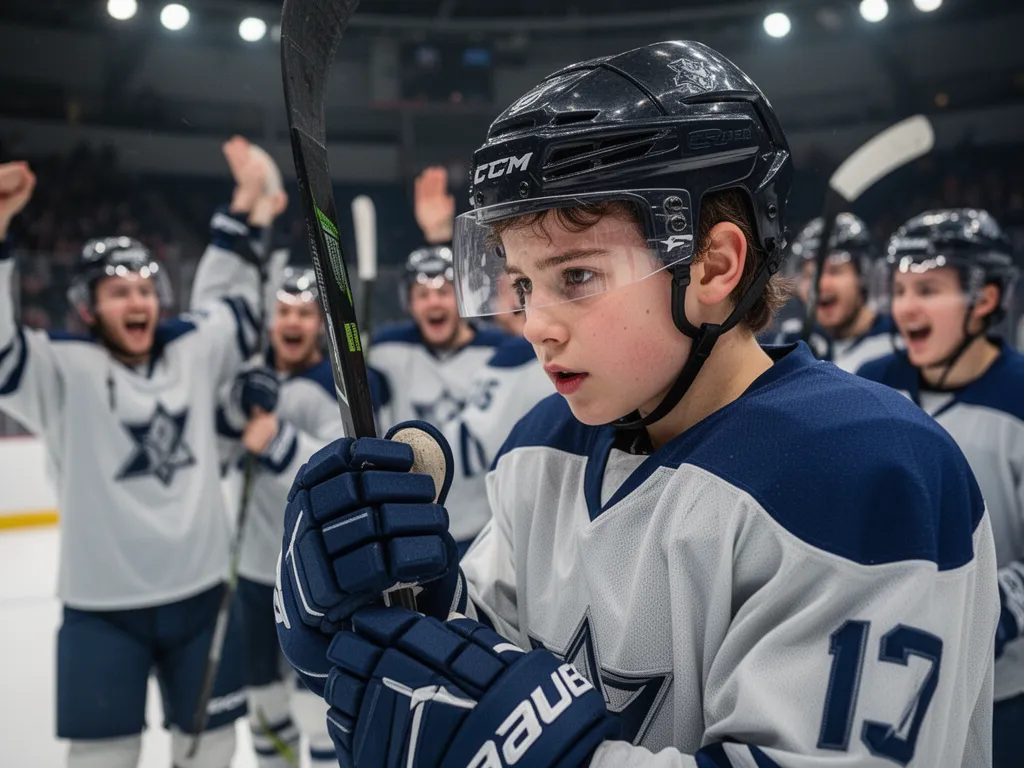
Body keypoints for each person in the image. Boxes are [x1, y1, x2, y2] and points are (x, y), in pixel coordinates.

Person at [274, 41, 998, 767]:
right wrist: (392, 614)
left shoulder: (866, 473)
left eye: (577, 274)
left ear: (714, 265)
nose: (535, 324)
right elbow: (481, 662)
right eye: (522, 285)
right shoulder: (543, 444)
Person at [0, 137, 286, 768]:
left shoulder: (189, 349)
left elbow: (234, 305)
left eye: (144, 288)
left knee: (210, 749)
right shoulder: (60, 370)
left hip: (202, 595)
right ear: (87, 306)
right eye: (118, 291)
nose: (137, 302)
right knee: (103, 757)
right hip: (102, 610)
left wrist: (244, 208)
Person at [856, 208, 1023, 768]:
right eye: (900, 289)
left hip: (1002, 688)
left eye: (928, 289)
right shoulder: (870, 387)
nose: (906, 307)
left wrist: (991, 606)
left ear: (985, 298)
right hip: (887, 677)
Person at [219, 267, 344, 768]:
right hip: (251, 570)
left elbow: (337, 466)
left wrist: (277, 440)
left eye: (305, 313)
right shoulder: (249, 381)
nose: (294, 322)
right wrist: (236, 410)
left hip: (311, 576)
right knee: (263, 703)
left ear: (319, 323)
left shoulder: (334, 384)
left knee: (316, 705)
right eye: (285, 312)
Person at [773, 213, 898, 372]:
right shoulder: (790, 342)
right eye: (810, 275)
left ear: (863, 276)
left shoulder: (898, 345)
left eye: (834, 271)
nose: (819, 285)